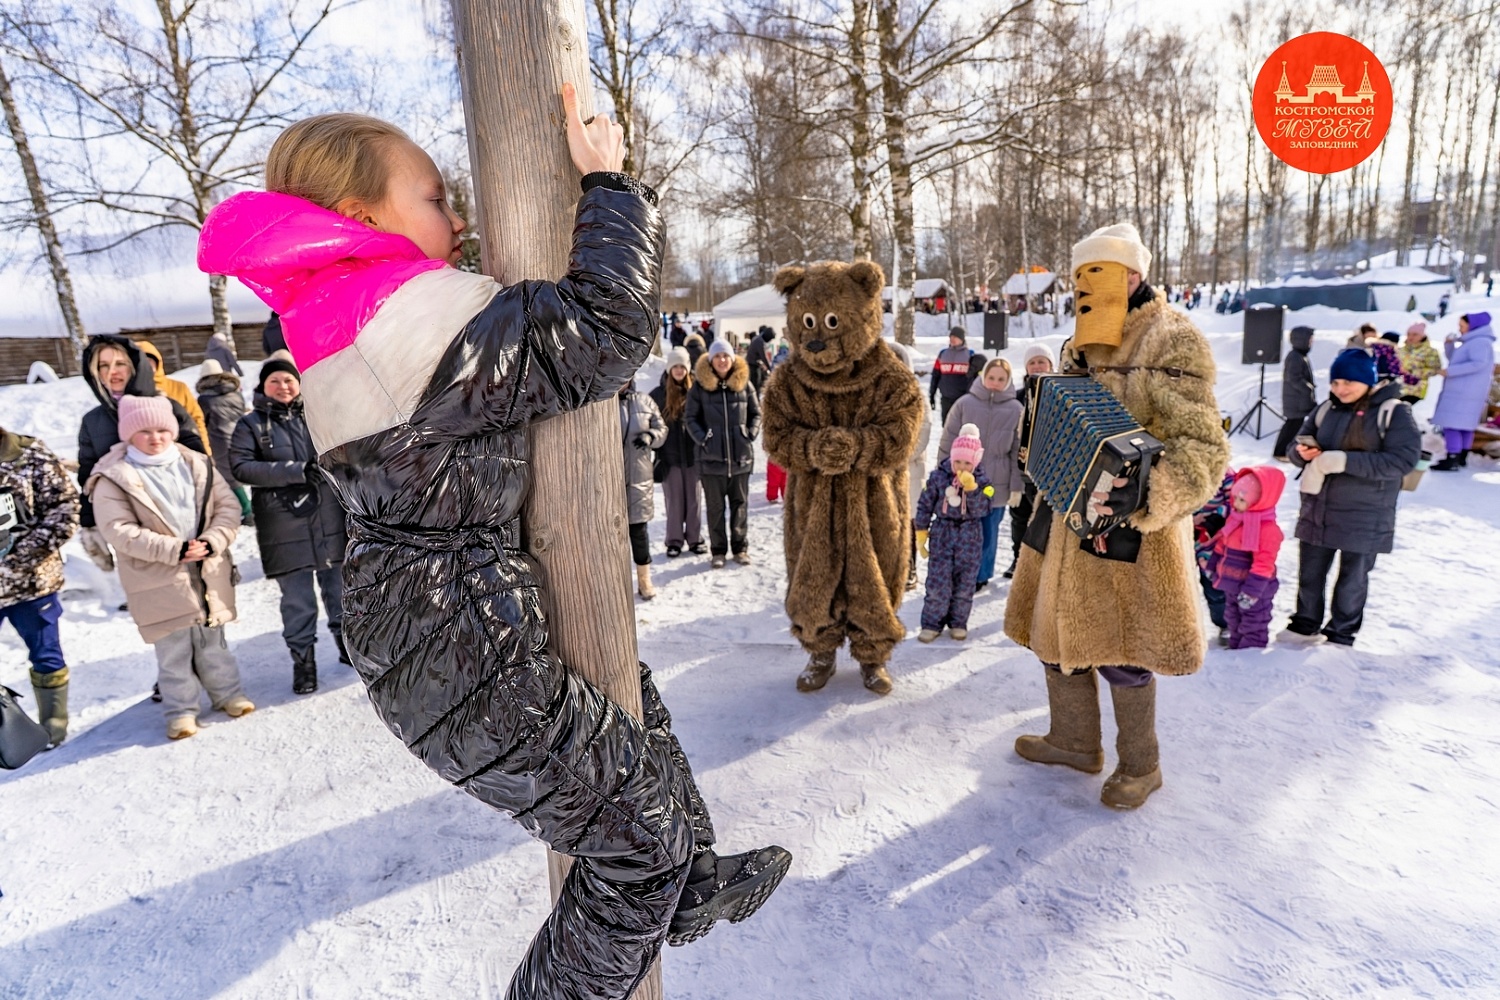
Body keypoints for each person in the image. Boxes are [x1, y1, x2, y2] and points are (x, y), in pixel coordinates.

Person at [196, 99, 788, 995]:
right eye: (434, 197)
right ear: (362, 218)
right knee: (636, 849)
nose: (458, 218)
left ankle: (691, 875)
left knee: (628, 706)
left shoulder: (339, 313)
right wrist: (610, 185)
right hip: (459, 642)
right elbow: (605, 331)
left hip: (441, 628)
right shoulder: (409, 315)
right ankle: (668, 878)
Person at [1007, 222, 1229, 810]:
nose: (1085, 286)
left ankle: (1142, 765)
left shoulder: (1172, 340)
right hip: (1063, 520)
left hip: (1132, 532)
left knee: (1122, 653)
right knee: (1055, 637)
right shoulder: (1080, 341)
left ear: (1134, 274)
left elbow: (1204, 450)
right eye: (1080, 275)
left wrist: (1150, 495)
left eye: (1097, 273)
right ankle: (1075, 742)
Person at [86, 395, 251, 740]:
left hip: (206, 569)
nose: (156, 437)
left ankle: (228, 694)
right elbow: (119, 530)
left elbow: (227, 507)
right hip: (157, 576)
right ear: (129, 435)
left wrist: (212, 541)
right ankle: (181, 711)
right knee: (173, 648)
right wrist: (174, 550)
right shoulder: (113, 476)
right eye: (144, 431)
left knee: (213, 640)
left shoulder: (196, 463)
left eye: (162, 429)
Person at [228, 354, 349, 694]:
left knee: (339, 591)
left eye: (288, 380)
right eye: (274, 381)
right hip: (284, 524)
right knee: (297, 601)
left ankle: (348, 650)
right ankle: (304, 663)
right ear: (263, 387)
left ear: (299, 384)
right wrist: (296, 470)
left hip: (327, 518)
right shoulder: (250, 424)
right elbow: (240, 466)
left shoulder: (318, 414)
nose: (283, 386)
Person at [1284, 349, 1419, 645]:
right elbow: (1298, 443)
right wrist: (1301, 452)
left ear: (1367, 381)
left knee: (1352, 579)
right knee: (1310, 572)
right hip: (1319, 507)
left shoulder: (1393, 411)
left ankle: (1340, 633)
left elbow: (1403, 460)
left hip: (1366, 512)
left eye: (1348, 383)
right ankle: (1305, 624)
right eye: (1335, 383)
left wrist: (1344, 461)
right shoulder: (1326, 409)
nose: (1340, 389)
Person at [75, 336, 207, 572]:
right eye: (103, 365)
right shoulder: (93, 421)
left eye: (120, 363)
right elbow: (88, 473)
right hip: (133, 529)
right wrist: (90, 523)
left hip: (182, 517)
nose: (112, 372)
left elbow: (198, 460)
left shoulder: (167, 406)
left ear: (135, 366)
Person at [0, 426, 79, 746]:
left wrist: (19, 555)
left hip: (31, 585)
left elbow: (65, 509)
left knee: (46, 655)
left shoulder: (30, 455)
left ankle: (52, 727)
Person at [938, 357, 1023, 591]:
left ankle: (981, 575)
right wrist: (943, 476)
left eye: (1001, 379)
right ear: (983, 377)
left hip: (996, 484)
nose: (995, 382)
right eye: (991, 377)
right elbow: (947, 442)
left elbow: (1017, 452)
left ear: (1008, 381)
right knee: (963, 530)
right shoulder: (965, 404)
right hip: (963, 482)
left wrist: (1017, 487)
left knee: (988, 531)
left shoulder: (1016, 409)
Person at [914, 424, 992, 642]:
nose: (962, 466)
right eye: (958, 461)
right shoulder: (938, 478)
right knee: (938, 583)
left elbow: (986, 507)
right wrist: (921, 530)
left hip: (970, 537)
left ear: (975, 462)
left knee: (965, 585)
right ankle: (931, 623)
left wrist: (973, 491)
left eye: (967, 462)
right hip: (943, 534)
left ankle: (958, 622)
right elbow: (924, 503)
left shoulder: (984, 482)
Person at [687, 340, 760, 568]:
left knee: (740, 505)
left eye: (725, 356)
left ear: (732, 358)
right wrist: (704, 438)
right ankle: (718, 551)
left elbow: (756, 413)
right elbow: (690, 419)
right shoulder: (700, 387)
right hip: (711, 460)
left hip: (741, 458)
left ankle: (740, 548)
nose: (722, 360)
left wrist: (749, 433)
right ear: (711, 360)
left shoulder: (745, 385)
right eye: (717, 356)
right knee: (716, 508)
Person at [1207, 466, 1285, 650]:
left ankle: (1251, 655)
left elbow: (1263, 565)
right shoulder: (1236, 520)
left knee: (1253, 623)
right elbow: (1221, 545)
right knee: (1233, 619)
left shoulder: (1267, 530)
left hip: (1255, 591)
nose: (1236, 503)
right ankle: (1235, 650)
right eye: (1235, 498)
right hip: (1233, 585)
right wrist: (1212, 567)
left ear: (1260, 500)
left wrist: (1251, 593)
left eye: (1242, 500)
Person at [649, 347, 706, 557]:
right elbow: (651, 423)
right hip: (669, 458)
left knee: (694, 500)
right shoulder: (658, 394)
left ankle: (694, 538)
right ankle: (674, 540)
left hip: (693, 457)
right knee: (674, 502)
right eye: (676, 366)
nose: (679, 370)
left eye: (683, 366)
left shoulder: (697, 392)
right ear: (669, 368)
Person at [1005, 343, 1055, 579]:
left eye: (1041, 361)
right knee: (1019, 516)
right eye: (1032, 362)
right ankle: (1018, 558)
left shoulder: (1059, 392)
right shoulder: (1017, 396)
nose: (1036, 366)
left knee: (1046, 519)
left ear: (1051, 365)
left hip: (1048, 469)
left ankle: (1043, 562)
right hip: (1020, 469)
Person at [1431, 312, 1496, 470]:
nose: (1459, 329)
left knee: (1452, 424)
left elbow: (1477, 363)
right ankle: (1461, 456)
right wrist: (1449, 345)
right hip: (1466, 391)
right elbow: (1457, 359)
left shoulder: (1479, 342)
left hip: (1463, 392)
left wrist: (1450, 372)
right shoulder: (1474, 342)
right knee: (1463, 425)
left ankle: (1452, 457)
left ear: (1472, 325)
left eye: (1462, 325)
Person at [620, 380, 667, 599]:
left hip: (639, 477)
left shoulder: (645, 400)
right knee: (612, 533)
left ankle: (644, 578)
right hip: (610, 478)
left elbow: (661, 428)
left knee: (638, 531)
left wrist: (651, 436)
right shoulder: (601, 404)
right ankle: (616, 581)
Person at [195, 358, 253, 525]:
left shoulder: (204, 400)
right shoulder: (236, 393)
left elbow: (202, 422)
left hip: (219, 441)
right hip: (240, 437)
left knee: (229, 479)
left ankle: (248, 512)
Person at [136, 340, 211, 448]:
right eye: (140, 362)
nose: (145, 366)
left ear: (157, 362)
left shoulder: (178, 388)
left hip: (182, 450)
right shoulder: (130, 391)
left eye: (149, 361)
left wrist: (204, 450)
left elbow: (197, 420)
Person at [1192, 469, 1236, 647]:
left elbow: (1234, 499)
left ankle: (1225, 623)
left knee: (1214, 586)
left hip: (1212, 540)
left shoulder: (1224, 474)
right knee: (1179, 584)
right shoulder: (1177, 467)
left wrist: (1216, 517)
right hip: (1182, 533)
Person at [1274, 325, 1317, 461]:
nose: (1311, 342)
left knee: (1294, 426)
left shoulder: (1300, 356)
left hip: (1299, 399)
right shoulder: (1295, 357)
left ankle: (1284, 451)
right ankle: (1280, 452)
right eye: (1309, 339)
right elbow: (1294, 378)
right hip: (1296, 400)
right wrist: (1307, 388)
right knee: (1291, 426)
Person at [929, 327, 976, 423]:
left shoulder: (970, 355)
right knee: (946, 425)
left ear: (962, 339)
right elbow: (936, 376)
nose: (952, 339)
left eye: (956, 337)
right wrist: (932, 394)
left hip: (963, 398)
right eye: (951, 337)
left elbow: (975, 377)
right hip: (946, 398)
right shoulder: (943, 354)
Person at [1397, 323, 1444, 406]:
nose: (1411, 337)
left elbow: (1435, 370)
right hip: (1399, 386)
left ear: (1422, 336)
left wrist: (1413, 373)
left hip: (1416, 388)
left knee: (1402, 408)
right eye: (1409, 334)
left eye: (1415, 334)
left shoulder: (1430, 351)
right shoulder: (1401, 349)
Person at [746, 325, 774, 396]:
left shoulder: (757, 339)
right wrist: (770, 368)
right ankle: (756, 400)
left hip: (753, 364)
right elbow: (764, 357)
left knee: (756, 384)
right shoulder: (759, 342)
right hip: (753, 366)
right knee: (756, 385)